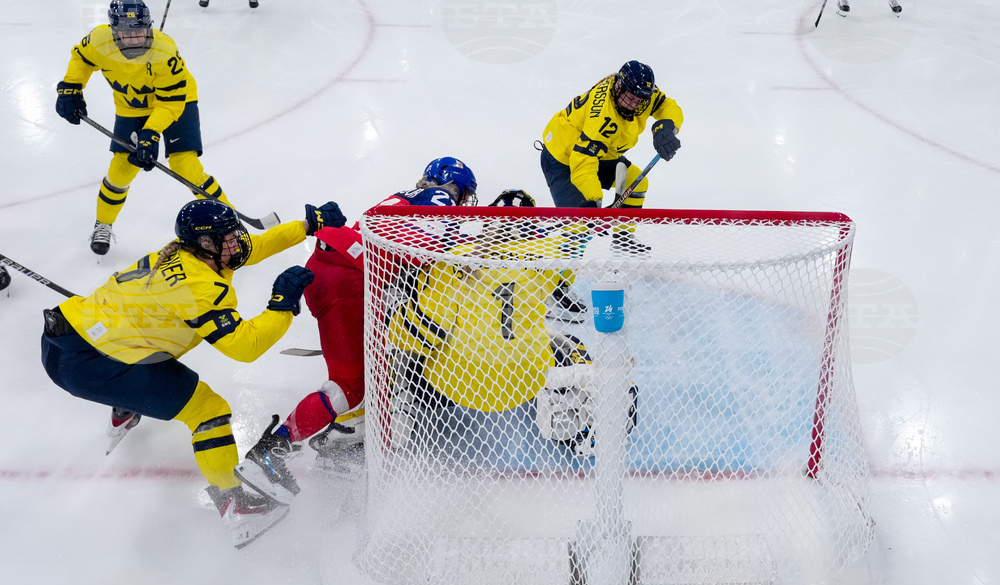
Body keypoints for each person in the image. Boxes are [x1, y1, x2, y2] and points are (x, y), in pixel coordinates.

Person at [39, 198, 346, 548]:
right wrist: (281, 304)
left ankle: (126, 404)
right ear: (206, 243)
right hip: (88, 362)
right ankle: (235, 504)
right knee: (208, 411)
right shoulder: (200, 288)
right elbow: (245, 347)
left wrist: (307, 225)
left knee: (146, 352)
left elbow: (255, 246)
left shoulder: (191, 253)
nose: (237, 241)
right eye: (228, 237)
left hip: (79, 333)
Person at [232, 158, 482, 503]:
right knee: (348, 385)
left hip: (328, 271)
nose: (461, 200)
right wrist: (469, 260)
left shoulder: (403, 197)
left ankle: (346, 436)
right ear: (452, 184)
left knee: (370, 370)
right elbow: (432, 245)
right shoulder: (441, 197)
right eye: (462, 192)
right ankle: (270, 454)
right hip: (349, 282)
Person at [384, 208, 636, 461]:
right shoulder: (544, 256)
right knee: (570, 343)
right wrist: (584, 228)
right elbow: (567, 261)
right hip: (526, 382)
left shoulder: (452, 259)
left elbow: (423, 330)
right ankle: (580, 429)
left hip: (454, 385)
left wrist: (397, 309)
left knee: (408, 352)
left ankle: (400, 407)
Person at [55, 1, 235, 256]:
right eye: (125, 32)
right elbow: (82, 58)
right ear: (113, 30)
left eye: (139, 31)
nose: (133, 39)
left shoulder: (165, 51)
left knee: (186, 166)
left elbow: (170, 102)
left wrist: (150, 134)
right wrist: (71, 87)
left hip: (177, 102)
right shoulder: (99, 40)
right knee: (121, 169)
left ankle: (229, 226)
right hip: (132, 107)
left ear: (149, 27)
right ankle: (103, 223)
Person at [538, 60, 684, 254]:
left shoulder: (640, 92)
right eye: (630, 98)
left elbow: (667, 105)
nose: (634, 105)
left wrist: (667, 127)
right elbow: (583, 161)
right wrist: (593, 200)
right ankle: (559, 273)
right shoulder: (602, 117)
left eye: (639, 101)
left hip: (598, 154)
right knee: (579, 228)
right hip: (562, 159)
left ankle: (623, 240)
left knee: (637, 181)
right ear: (619, 87)